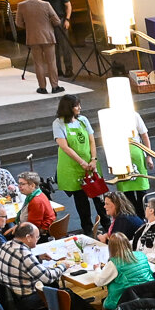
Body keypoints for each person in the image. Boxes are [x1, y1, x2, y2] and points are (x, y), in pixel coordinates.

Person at [53, 95, 99, 231]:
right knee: (81, 200)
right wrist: (81, 162)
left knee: (98, 196)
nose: (80, 108)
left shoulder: (83, 120)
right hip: (73, 167)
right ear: (68, 108)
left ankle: (106, 223)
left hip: (90, 165)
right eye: (76, 106)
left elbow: (92, 140)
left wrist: (93, 159)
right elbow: (64, 147)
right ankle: (87, 228)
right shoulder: (58, 123)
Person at [14, 0, 64, 95]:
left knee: (38, 64)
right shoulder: (46, 4)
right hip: (48, 37)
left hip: (33, 37)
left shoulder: (21, 5)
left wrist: (29, 26)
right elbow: (57, 21)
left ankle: (42, 88)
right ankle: (55, 86)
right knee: (51, 63)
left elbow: (19, 23)